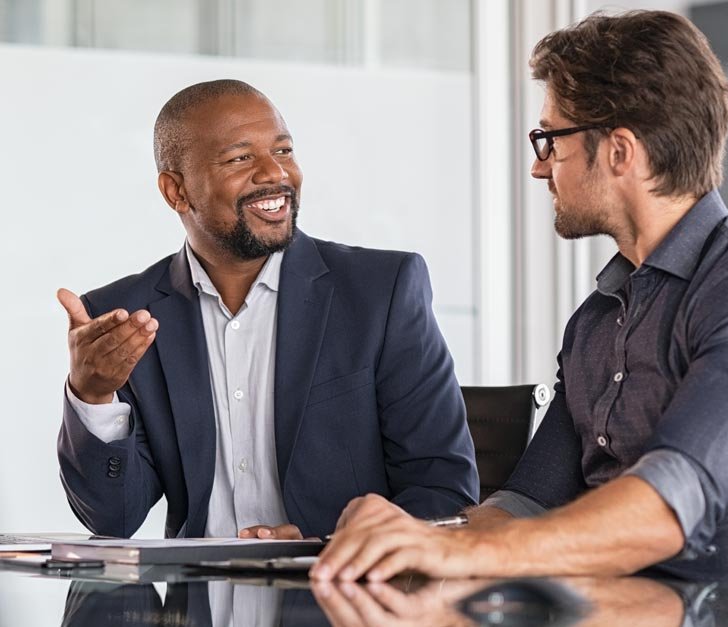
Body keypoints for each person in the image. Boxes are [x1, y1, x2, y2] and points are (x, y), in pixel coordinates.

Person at [311, 10, 728, 582]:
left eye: (550, 141)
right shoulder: (596, 320)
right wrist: (404, 537)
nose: (540, 169)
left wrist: (458, 554)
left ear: (619, 152)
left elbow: (670, 507)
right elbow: (523, 505)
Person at [56, 79, 479, 541]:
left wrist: (327, 547)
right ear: (176, 191)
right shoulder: (125, 318)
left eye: (283, 151)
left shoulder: (381, 293)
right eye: (240, 158)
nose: (274, 174)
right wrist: (92, 396)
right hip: (198, 605)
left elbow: (443, 491)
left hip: (338, 596)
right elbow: (113, 519)